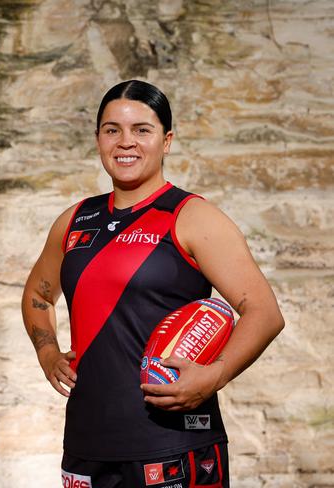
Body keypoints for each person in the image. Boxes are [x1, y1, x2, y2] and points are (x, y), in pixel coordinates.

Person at [21, 79, 284, 488]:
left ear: (167, 140)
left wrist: (214, 376)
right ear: (98, 139)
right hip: (87, 446)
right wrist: (47, 352)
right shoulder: (74, 220)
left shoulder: (191, 216)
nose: (126, 142)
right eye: (112, 130)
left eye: (142, 130)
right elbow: (38, 295)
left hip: (174, 445)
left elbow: (265, 313)